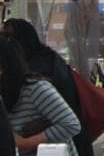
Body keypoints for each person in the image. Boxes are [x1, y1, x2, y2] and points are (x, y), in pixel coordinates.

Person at [3, 18, 93, 156]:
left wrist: (27, 142)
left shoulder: (35, 81)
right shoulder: (47, 59)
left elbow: (70, 123)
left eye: (6, 35)